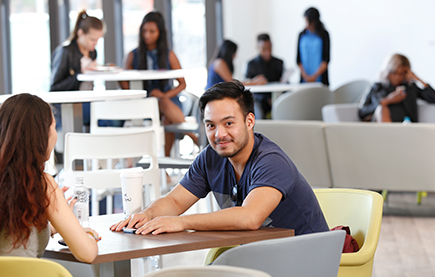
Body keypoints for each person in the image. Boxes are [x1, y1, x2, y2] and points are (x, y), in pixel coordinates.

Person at [110, 80, 329, 236]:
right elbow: (175, 201)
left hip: (307, 260)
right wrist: (148, 215)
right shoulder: (210, 159)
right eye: (211, 125)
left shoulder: (271, 161)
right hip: (263, 256)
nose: (219, 134)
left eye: (229, 123)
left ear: (250, 121)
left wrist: (181, 222)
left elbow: (249, 217)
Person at [0, 94, 99, 262]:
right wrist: (87, 234)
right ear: (39, 136)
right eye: (53, 127)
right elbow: (87, 253)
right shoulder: (42, 184)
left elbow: (7, 239)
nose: (55, 134)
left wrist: (52, 224)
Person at [121, 11, 197, 156]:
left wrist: (164, 95)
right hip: (144, 102)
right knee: (163, 109)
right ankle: (194, 137)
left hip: (168, 100)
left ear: (160, 33)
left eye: (152, 31)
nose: (147, 35)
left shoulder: (169, 54)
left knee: (165, 108)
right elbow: (126, 86)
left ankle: (165, 164)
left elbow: (182, 84)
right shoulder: (133, 55)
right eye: (144, 31)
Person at [50, 10, 105, 129]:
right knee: (107, 114)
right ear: (80, 33)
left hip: (86, 100)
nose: (95, 44)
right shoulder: (65, 51)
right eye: (92, 39)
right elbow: (54, 88)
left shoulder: (93, 53)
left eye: (98, 40)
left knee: (110, 112)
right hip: (67, 106)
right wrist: (81, 74)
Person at [358, 53, 435, 122]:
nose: (397, 78)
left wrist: (417, 79)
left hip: (406, 127)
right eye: (394, 73)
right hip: (382, 130)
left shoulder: (410, 88)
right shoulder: (378, 87)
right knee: (382, 109)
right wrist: (387, 101)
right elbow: (362, 112)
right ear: (388, 71)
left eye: (401, 74)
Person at [246, 33, 284, 119]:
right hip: (259, 100)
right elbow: (248, 88)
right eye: (264, 49)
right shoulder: (251, 65)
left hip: (277, 97)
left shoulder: (279, 63)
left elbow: (282, 82)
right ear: (258, 47)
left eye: (269, 48)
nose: (267, 52)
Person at [297, 7, 330, 86]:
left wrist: (314, 76)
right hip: (304, 80)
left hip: (320, 80)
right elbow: (298, 59)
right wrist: (305, 76)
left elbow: (326, 59)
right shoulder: (301, 35)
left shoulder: (324, 35)